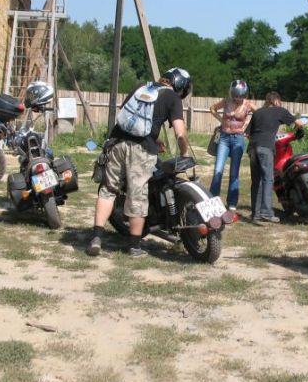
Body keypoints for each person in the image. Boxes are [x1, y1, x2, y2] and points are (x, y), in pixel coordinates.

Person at [86, 67, 192, 257]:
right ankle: (135, 246)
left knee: (108, 190)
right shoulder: (172, 97)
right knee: (137, 195)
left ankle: (96, 238)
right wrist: (185, 153)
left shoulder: (142, 87)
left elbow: (130, 120)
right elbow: (180, 133)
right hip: (141, 151)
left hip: (117, 142)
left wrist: (155, 140)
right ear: (181, 86)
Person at [246, 91, 303, 224]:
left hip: (252, 148)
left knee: (256, 181)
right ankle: (266, 213)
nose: (280, 104)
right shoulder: (279, 110)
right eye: (280, 101)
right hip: (265, 147)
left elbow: (248, 134)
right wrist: (300, 130)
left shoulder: (258, 112)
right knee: (268, 179)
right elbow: (299, 123)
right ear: (276, 101)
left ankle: (256, 215)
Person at [209, 80, 255, 211]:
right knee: (218, 170)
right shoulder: (226, 101)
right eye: (235, 95)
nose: (237, 98)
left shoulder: (248, 104)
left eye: (240, 96)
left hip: (238, 139)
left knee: (234, 172)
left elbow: (260, 114)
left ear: (244, 94)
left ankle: (232, 203)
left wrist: (247, 128)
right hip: (224, 138)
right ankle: (213, 200)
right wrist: (221, 120)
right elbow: (212, 108)